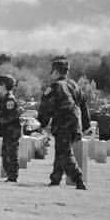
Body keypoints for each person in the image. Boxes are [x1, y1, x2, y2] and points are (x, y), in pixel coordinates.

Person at [36, 56, 89, 188]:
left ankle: (78, 179)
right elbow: (84, 105)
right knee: (61, 151)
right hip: (75, 124)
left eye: (52, 71)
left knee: (65, 153)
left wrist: (42, 123)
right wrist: (86, 125)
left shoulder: (55, 87)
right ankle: (55, 178)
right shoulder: (74, 85)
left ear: (55, 72)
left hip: (63, 124)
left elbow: (46, 107)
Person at [0, 74, 22, 181]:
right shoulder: (4, 99)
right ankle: (10, 175)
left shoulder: (9, 99)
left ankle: (13, 176)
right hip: (7, 131)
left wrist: (0, 121)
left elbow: (12, 116)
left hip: (12, 132)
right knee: (6, 154)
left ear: (3, 86)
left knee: (11, 154)